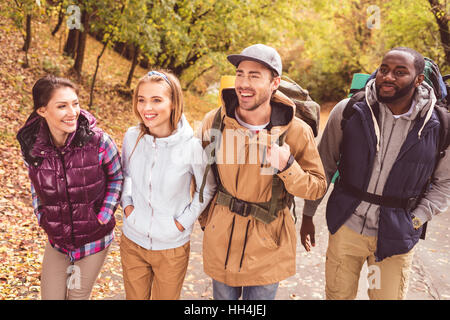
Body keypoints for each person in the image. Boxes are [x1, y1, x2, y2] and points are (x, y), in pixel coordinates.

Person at [302, 47, 450, 300]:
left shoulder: (440, 125)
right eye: (384, 69)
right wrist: (308, 213)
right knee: (338, 296)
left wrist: (414, 220)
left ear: (418, 80)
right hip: (346, 228)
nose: (388, 77)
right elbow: (324, 164)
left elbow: (444, 184)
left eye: (400, 72)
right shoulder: (349, 111)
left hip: (395, 238)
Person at [197, 44, 327, 300]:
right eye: (240, 73)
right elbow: (200, 176)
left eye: (254, 76)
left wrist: (288, 167)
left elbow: (317, 187)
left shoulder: (295, 131)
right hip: (221, 239)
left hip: (269, 241)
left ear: (274, 82)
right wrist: (207, 220)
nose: (243, 83)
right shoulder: (215, 121)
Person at [16, 75, 123, 300]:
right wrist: (41, 216)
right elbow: (36, 185)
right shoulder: (32, 149)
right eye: (62, 106)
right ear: (42, 111)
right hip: (59, 241)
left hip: (94, 239)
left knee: (76, 296)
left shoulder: (99, 142)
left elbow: (117, 178)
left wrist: (102, 216)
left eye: (75, 103)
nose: (72, 112)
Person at [120, 70, 216, 300]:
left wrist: (182, 223)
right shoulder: (132, 138)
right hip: (132, 241)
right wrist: (128, 207)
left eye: (156, 100)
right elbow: (125, 175)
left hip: (172, 247)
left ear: (173, 103)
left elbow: (207, 189)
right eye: (141, 100)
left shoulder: (191, 147)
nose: (146, 108)